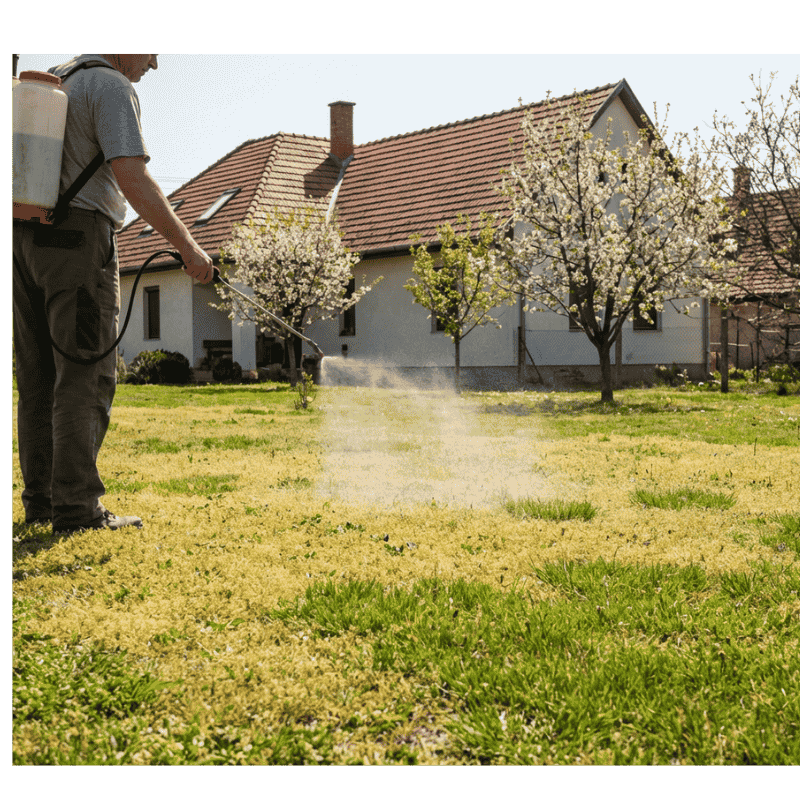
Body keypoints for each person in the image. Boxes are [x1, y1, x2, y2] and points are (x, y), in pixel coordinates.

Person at [12, 53, 214, 534]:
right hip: (78, 243)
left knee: (37, 378)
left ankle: (42, 502)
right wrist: (189, 247)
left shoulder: (55, 80)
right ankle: (76, 509)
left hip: (20, 241)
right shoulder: (111, 86)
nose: (155, 63)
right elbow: (132, 176)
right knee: (84, 374)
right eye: (152, 49)